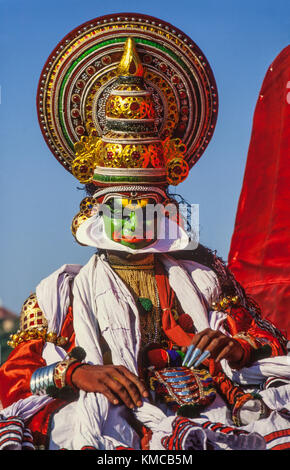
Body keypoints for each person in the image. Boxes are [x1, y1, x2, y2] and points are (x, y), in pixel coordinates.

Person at [0, 14, 289, 451]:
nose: (135, 219)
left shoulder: (206, 277)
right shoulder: (59, 294)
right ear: (95, 206)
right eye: (121, 208)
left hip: (210, 415)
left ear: (166, 207)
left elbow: (269, 340)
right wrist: (76, 374)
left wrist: (236, 347)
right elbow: (15, 381)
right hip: (110, 427)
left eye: (147, 205)